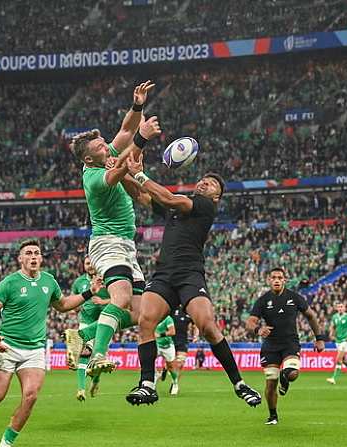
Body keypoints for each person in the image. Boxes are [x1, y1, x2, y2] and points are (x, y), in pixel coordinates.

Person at [123, 153, 261, 408]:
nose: (203, 183)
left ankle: (239, 384)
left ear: (216, 196)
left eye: (210, 184)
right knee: (145, 321)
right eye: (202, 180)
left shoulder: (204, 206)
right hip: (164, 274)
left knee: (207, 325)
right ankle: (147, 385)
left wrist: (139, 174)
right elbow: (142, 197)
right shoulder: (177, 209)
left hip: (189, 274)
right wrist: (123, 173)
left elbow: (166, 197)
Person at [0, 239, 97, 447]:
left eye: (37, 253)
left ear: (41, 258)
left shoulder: (49, 281)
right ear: (20, 259)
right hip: (7, 346)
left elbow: (63, 305)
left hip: (35, 350)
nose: (33, 256)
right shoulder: (10, 283)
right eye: (28, 253)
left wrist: (89, 292)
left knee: (31, 396)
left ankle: (6, 443)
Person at [69, 81, 158, 375]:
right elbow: (121, 167)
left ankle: (81, 335)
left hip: (125, 245)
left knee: (141, 312)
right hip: (107, 243)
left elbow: (124, 132)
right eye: (99, 148)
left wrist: (137, 106)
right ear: (88, 158)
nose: (105, 147)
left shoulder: (102, 153)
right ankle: (97, 355)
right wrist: (142, 141)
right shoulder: (94, 179)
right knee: (119, 299)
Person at [246, 268, 326, 425]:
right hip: (270, 346)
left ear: (285, 280)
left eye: (279, 277)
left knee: (292, 373)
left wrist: (319, 338)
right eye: (273, 277)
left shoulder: (294, 297)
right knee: (270, 382)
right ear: (269, 280)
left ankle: (285, 378)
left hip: (290, 343)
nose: (276, 280)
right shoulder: (263, 300)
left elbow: (311, 316)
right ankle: (273, 415)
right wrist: (258, 329)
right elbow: (250, 322)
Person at [64, 257, 110, 401]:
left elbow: (119, 299)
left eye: (92, 263)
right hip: (86, 321)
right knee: (84, 353)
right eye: (87, 263)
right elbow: (74, 300)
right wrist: (74, 309)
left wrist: (103, 301)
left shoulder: (107, 280)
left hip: (105, 322)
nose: (90, 266)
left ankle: (95, 381)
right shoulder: (79, 283)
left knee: (97, 360)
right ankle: (81, 389)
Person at [326, 302, 347, 386]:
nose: (340, 308)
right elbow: (332, 326)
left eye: (342, 307)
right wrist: (331, 333)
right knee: (344, 361)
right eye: (339, 307)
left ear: (345, 308)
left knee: (338, 359)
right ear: (336, 308)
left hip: (346, 340)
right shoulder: (334, 317)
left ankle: (333, 378)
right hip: (338, 341)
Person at [169, 308, 193, 395]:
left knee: (180, 364)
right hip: (170, 341)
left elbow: (195, 325)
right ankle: (165, 370)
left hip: (183, 341)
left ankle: (175, 384)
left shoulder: (188, 311)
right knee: (171, 364)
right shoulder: (171, 308)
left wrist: (196, 335)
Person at [154, 315, 178, 389]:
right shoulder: (152, 317)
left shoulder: (167, 318)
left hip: (167, 346)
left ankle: (174, 383)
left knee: (170, 366)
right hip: (156, 344)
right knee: (148, 362)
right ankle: (154, 379)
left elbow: (172, 332)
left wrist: (160, 335)